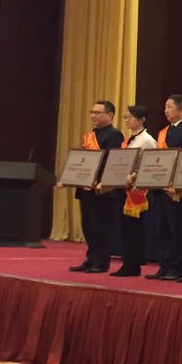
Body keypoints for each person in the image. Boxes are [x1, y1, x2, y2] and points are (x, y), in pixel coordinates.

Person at [65, 100, 124, 273]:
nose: (93, 115)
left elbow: (111, 162)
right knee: (89, 227)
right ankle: (91, 258)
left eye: (98, 113)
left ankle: (101, 261)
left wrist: (98, 181)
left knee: (101, 227)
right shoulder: (92, 135)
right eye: (92, 112)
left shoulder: (115, 135)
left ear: (110, 115)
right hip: (86, 188)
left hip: (101, 190)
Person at [146, 94, 182, 281]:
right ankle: (165, 265)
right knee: (161, 229)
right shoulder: (164, 131)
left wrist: (176, 182)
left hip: (175, 189)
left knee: (176, 229)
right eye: (165, 107)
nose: (165, 110)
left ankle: (176, 267)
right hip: (161, 186)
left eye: (170, 107)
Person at [111, 104, 155, 277]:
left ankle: (133, 264)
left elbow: (150, 164)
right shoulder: (130, 139)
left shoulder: (147, 140)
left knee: (134, 229)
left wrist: (135, 176)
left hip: (137, 190)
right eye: (125, 117)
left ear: (142, 119)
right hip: (124, 187)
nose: (127, 120)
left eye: (130, 117)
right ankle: (128, 263)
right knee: (126, 228)